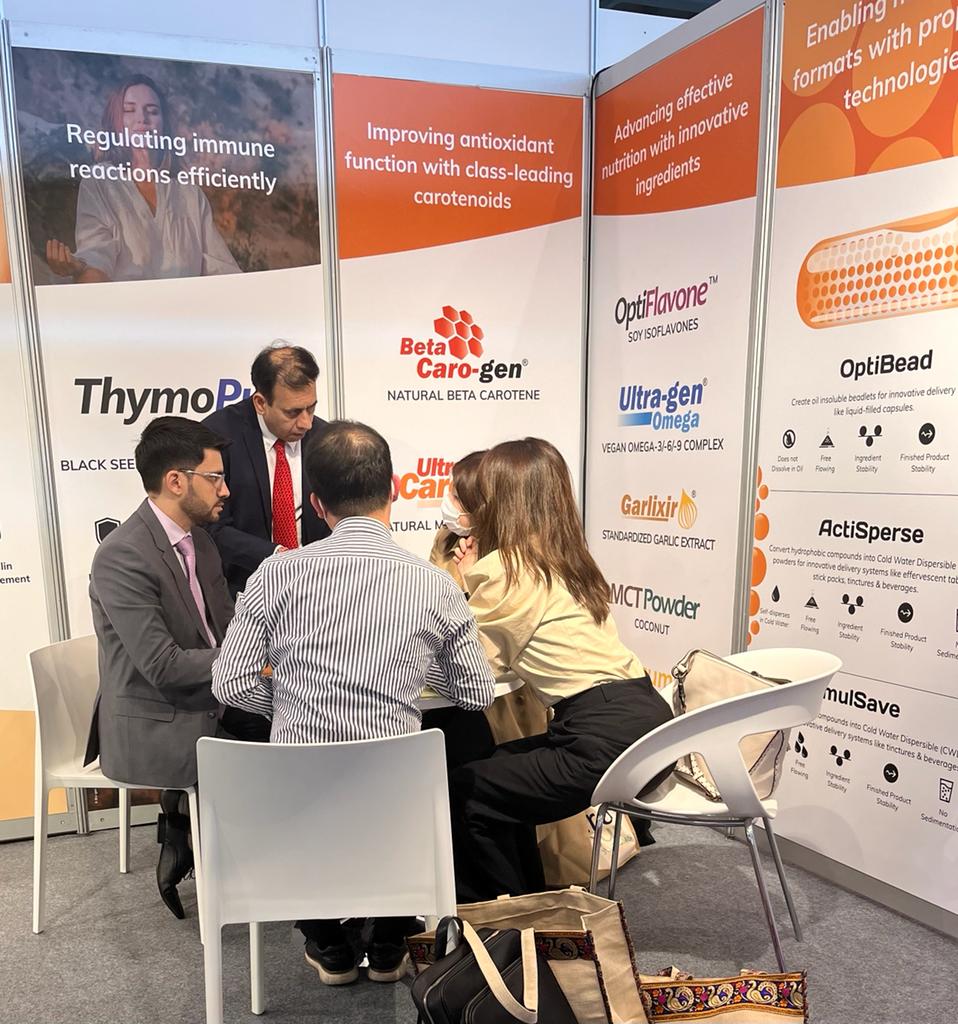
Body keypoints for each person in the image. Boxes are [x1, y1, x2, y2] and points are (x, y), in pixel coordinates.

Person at [212, 420, 495, 986]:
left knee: (302, 787)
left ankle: (328, 942)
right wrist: (413, 670)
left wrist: (290, 705)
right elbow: (475, 692)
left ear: (317, 504)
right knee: (423, 781)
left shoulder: (276, 574)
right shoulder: (434, 583)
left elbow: (232, 684)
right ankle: (390, 940)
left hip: (298, 808)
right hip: (394, 806)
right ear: (393, 489)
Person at [449, 437, 674, 903]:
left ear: (501, 500)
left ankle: (508, 921)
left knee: (463, 791)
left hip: (597, 737)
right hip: (645, 720)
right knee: (491, 776)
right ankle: (526, 906)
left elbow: (469, 665)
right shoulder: (568, 558)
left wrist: (465, 581)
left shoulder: (506, 570)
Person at [85, 416, 269, 920]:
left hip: (213, 694)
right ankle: (191, 830)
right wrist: (255, 663)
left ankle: (208, 838)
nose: (226, 490)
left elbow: (226, 630)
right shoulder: (121, 556)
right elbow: (163, 666)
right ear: (176, 481)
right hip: (159, 717)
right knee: (270, 759)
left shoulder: (201, 541)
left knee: (301, 731)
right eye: (216, 478)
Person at [45, 74, 239, 283]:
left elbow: (222, 270)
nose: (142, 119)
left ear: (164, 124)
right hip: (126, 304)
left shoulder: (189, 192)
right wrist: (80, 268)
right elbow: (97, 255)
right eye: (129, 110)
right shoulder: (99, 182)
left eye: (152, 111)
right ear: (115, 122)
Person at [429, 449, 548, 751]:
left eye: (456, 497)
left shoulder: (519, 557)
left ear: (482, 508)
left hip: (503, 698)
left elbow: (495, 641)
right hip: (449, 684)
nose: (447, 500)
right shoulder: (446, 538)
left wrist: (473, 577)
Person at [202, 343, 330, 596]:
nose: (306, 423)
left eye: (311, 408)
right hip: (242, 589)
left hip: (317, 589)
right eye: (293, 412)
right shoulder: (217, 437)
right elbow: (208, 525)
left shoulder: (324, 437)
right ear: (261, 403)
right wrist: (276, 556)